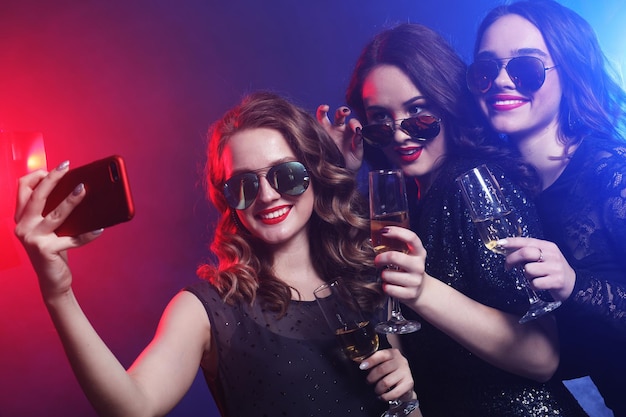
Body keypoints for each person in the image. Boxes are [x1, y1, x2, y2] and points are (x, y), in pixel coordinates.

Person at [14, 92, 419, 417]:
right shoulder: (207, 308)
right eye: (243, 184)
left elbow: (402, 408)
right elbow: (131, 406)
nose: (267, 195)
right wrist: (58, 293)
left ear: (314, 174)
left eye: (287, 175)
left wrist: (407, 395)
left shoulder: (366, 281)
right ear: (227, 200)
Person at [317, 23, 588, 416]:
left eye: (417, 113)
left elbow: (541, 356)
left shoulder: (474, 184)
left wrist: (423, 291)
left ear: (446, 102)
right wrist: (340, 170)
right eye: (381, 119)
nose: (400, 136)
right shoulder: (408, 200)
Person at [469, 0, 626, 414]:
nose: (502, 80)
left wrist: (575, 285)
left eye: (526, 68)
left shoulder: (613, 172)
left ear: (569, 73)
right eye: (485, 70)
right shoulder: (503, 186)